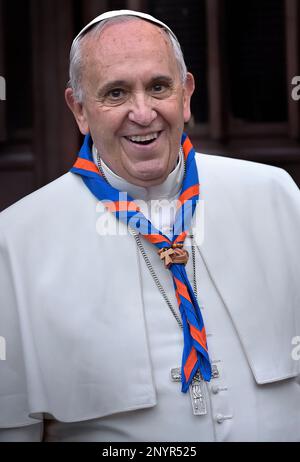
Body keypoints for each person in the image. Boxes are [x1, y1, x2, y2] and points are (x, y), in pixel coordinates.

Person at [0, 9, 300, 443]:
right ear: (80, 110)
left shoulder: (276, 197)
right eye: (116, 93)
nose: (143, 113)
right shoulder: (16, 240)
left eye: (159, 87)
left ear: (186, 94)